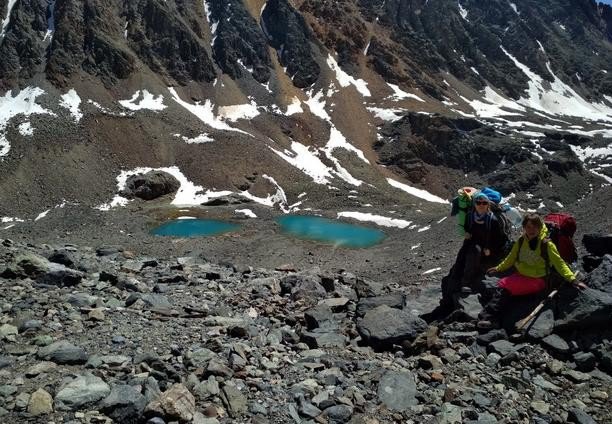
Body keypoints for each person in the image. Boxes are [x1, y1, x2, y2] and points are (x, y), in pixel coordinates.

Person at [478, 213, 586, 328]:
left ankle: (489, 318)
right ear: (524, 227)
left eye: (535, 227)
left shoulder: (547, 244)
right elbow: (511, 258)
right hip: (521, 275)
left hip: (538, 279)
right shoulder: (521, 241)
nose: (531, 230)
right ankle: (488, 316)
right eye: (528, 227)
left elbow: (560, 264)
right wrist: (498, 268)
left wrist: (573, 280)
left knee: (505, 288)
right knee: (503, 287)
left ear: (540, 227)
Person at [424, 192, 509, 322]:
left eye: (484, 203)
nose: (481, 205)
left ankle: (466, 283)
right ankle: (454, 283)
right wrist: (467, 234)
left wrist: (489, 249)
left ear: (488, 205)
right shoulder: (470, 216)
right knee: (461, 258)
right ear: (474, 204)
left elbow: (498, 239)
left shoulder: (492, 219)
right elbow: (467, 229)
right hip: (472, 242)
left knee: (473, 254)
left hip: (487, 249)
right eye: (478, 203)